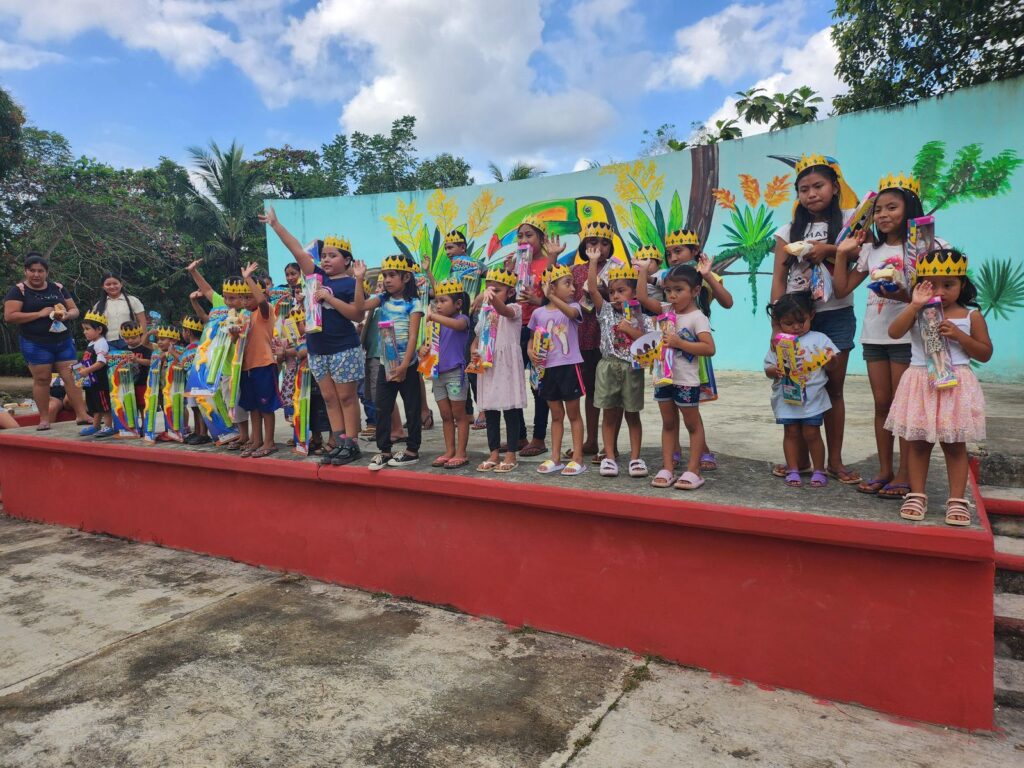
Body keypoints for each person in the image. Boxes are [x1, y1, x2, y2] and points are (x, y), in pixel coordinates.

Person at [833, 172, 931, 499]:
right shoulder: (870, 251)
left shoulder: (924, 248)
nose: (883, 215)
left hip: (907, 338)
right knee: (882, 404)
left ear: (909, 209)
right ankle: (886, 469)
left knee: (903, 407)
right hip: (874, 336)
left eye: (892, 207)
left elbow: (933, 297)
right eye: (878, 210)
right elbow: (842, 288)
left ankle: (905, 473)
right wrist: (842, 254)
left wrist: (904, 295)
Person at [885, 249, 992, 526]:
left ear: (962, 284)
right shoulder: (918, 311)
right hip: (921, 382)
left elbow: (984, 353)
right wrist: (913, 305)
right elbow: (894, 333)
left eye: (949, 284)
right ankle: (917, 494)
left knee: (955, 445)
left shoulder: (971, 317)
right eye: (933, 284)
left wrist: (959, 335)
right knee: (919, 444)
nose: (941, 291)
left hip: (955, 386)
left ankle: (957, 500)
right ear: (921, 284)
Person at [771, 154, 860, 485]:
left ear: (835, 187)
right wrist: (775, 326)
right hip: (793, 319)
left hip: (835, 316)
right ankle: (801, 461)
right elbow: (778, 281)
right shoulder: (786, 231)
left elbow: (859, 254)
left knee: (833, 389)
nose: (811, 194)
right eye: (803, 189)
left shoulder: (851, 221)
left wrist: (827, 251)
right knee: (794, 384)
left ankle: (834, 461)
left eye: (818, 186)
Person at [260, 207, 365, 466]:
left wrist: (329, 298)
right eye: (324, 255)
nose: (326, 259)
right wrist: (276, 225)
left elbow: (357, 314)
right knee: (329, 397)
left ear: (347, 260)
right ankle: (339, 440)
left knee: (347, 397)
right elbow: (296, 249)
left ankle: (352, 442)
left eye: (333, 255)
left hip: (343, 347)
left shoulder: (350, 284)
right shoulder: (315, 276)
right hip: (318, 348)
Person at [637, 233, 733, 472]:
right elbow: (642, 296)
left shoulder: (697, 306)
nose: (673, 257)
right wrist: (642, 271)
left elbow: (726, 304)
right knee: (669, 419)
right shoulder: (666, 287)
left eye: (678, 251)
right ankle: (671, 461)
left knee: (691, 413)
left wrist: (707, 273)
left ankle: (698, 460)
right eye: (669, 253)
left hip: (690, 362)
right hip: (665, 371)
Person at [646, 264, 716, 491]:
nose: (672, 295)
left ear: (695, 291)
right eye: (668, 290)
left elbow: (709, 348)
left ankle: (694, 470)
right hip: (664, 378)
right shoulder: (666, 314)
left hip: (686, 380)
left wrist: (680, 343)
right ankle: (667, 467)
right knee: (668, 424)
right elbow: (640, 297)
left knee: (692, 424)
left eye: (678, 290)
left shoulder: (698, 317)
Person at [3, 253, 89, 428]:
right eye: (32, 271)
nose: (36, 274)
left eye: (40, 271)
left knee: (72, 377)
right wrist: (39, 314)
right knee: (42, 379)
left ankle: (82, 414)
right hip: (35, 342)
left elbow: (75, 310)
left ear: (46, 272)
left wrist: (66, 314)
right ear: (26, 271)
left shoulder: (57, 288)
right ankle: (44, 419)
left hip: (63, 340)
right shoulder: (18, 290)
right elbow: (10, 316)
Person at [764, 292, 840, 489]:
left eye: (801, 321)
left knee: (812, 433)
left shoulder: (820, 339)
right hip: (786, 397)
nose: (796, 327)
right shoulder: (778, 343)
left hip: (812, 399)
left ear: (811, 315)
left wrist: (832, 360)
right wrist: (775, 371)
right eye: (789, 323)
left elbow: (832, 366)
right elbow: (768, 369)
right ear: (779, 323)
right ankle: (793, 469)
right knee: (790, 432)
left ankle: (819, 470)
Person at [355, 254, 424, 470]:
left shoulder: (414, 303)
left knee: (412, 408)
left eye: (392, 275)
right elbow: (359, 307)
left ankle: (412, 450)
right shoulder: (382, 300)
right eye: (385, 275)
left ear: (405, 278)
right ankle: (384, 450)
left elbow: (413, 336)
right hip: (387, 364)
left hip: (408, 365)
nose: (386, 279)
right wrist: (359, 280)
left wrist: (405, 365)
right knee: (382, 407)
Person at [587, 254, 651, 478]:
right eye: (613, 291)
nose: (615, 295)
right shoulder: (604, 311)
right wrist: (593, 262)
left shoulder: (641, 316)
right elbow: (593, 290)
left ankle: (635, 458)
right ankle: (610, 457)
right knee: (609, 414)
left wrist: (630, 329)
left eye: (621, 290)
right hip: (608, 366)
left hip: (631, 368)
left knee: (632, 414)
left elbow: (648, 341)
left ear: (633, 293)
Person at [509, 216, 565, 457]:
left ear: (541, 239)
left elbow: (558, 295)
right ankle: (518, 436)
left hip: (538, 331)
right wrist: (507, 275)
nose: (523, 240)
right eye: (520, 236)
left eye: (529, 235)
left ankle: (538, 437)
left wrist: (537, 300)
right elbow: (506, 296)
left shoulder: (548, 264)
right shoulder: (514, 264)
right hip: (515, 327)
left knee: (537, 384)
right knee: (513, 382)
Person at [527, 264, 586, 476]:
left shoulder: (575, 307)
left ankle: (578, 457)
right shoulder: (538, 313)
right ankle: (555, 457)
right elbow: (532, 338)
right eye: (567, 284)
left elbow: (570, 312)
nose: (573, 289)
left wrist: (553, 297)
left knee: (574, 414)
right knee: (556, 415)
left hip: (569, 367)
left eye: (574, 284)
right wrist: (530, 352)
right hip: (547, 370)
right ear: (552, 286)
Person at [473, 267, 527, 472]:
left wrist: (491, 298)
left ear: (510, 292)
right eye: (488, 289)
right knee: (491, 410)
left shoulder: (515, 309)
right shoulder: (484, 315)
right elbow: (477, 338)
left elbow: (503, 311)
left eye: (496, 290)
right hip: (488, 365)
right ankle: (494, 452)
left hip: (506, 366)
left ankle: (511, 453)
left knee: (510, 409)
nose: (490, 294)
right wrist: (473, 352)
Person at [571, 221, 615, 459]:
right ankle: (590, 440)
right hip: (581, 339)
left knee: (608, 393)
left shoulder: (615, 269)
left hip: (607, 339)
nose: (598, 247)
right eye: (592, 242)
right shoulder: (575, 270)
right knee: (589, 391)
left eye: (604, 243)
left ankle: (612, 447)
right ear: (584, 245)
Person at [422, 278, 471, 469]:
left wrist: (434, 317)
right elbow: (427, 345)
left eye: (443, 301)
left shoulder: (462, 319)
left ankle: (461, 452)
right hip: (437, 374)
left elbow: (458, 327)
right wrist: (422, 351)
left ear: (458, 304)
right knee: (445, 415)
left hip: (454, 373)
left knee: (460, 414)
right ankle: (449, 450)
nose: (438, 305)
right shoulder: (434, 324)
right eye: (437, 301)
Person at [235, 262, 281, 458]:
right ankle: (256, 440)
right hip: (246, 366)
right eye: (243, 298)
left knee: (265, 405)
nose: (245, 301)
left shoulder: (265, 310)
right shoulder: (244, 317)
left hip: (263, 363)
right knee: (253, 405)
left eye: (249, 296)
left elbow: (261, 301)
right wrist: (233, 334)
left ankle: (269, 442)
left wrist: (248, 278)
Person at [77, 311, 114, 438]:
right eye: (84, 329)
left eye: (87, 329)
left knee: (103, 404)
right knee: (94, 404)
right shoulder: (91, 343)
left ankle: (108, 426)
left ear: (99, 329)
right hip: (91, 381)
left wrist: (87, 371)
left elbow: (101, 362)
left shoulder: (101, 343)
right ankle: (95, 425)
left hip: (100, 380)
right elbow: (88, 360)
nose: (85, 332)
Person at [92, 273, 146, 348]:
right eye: (108, 284)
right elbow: (94, 326)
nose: (112, 286)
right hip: (107, 342)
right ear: (103, 287)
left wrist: (142, 339)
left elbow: (142, 321)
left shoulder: (133, 301)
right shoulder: (98, 305)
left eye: (115, 283)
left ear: (121, 284)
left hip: (130, 341)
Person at [180, 314, 210, 445]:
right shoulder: (201, 345)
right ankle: (198, 431)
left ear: (188, 332)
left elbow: (186, 365)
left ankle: (203, 433)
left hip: (196, 382)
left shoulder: (193, 347)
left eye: (183, 330)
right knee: (195, 408)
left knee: (199, 408)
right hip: (193, 382)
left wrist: (174, 354)